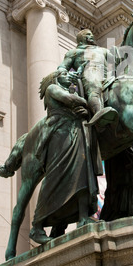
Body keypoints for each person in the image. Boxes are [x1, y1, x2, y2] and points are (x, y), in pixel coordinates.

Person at [29, 69, 100, 245]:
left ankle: (84, 217)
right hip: (60, 134)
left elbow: (76, 105)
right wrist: (88, 101)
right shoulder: (53, 88)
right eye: (63, 73)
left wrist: (82, 110)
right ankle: (37, 226)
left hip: (76, 132)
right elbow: (71, 100)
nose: (68, 75)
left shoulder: (70, 89)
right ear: (55, 77)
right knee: (55, 177)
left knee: (82, 174)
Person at [57, 29, 118, 128]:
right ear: (82, 39)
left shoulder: (103, 50)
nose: (92, 36)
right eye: (88, 34)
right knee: (94, 87)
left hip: (107, 75)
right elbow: (62, 67)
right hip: (89, 75)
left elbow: (117, 62)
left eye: (92, 34)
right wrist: (65, 74)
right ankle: (99, 115)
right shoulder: (74, 52)